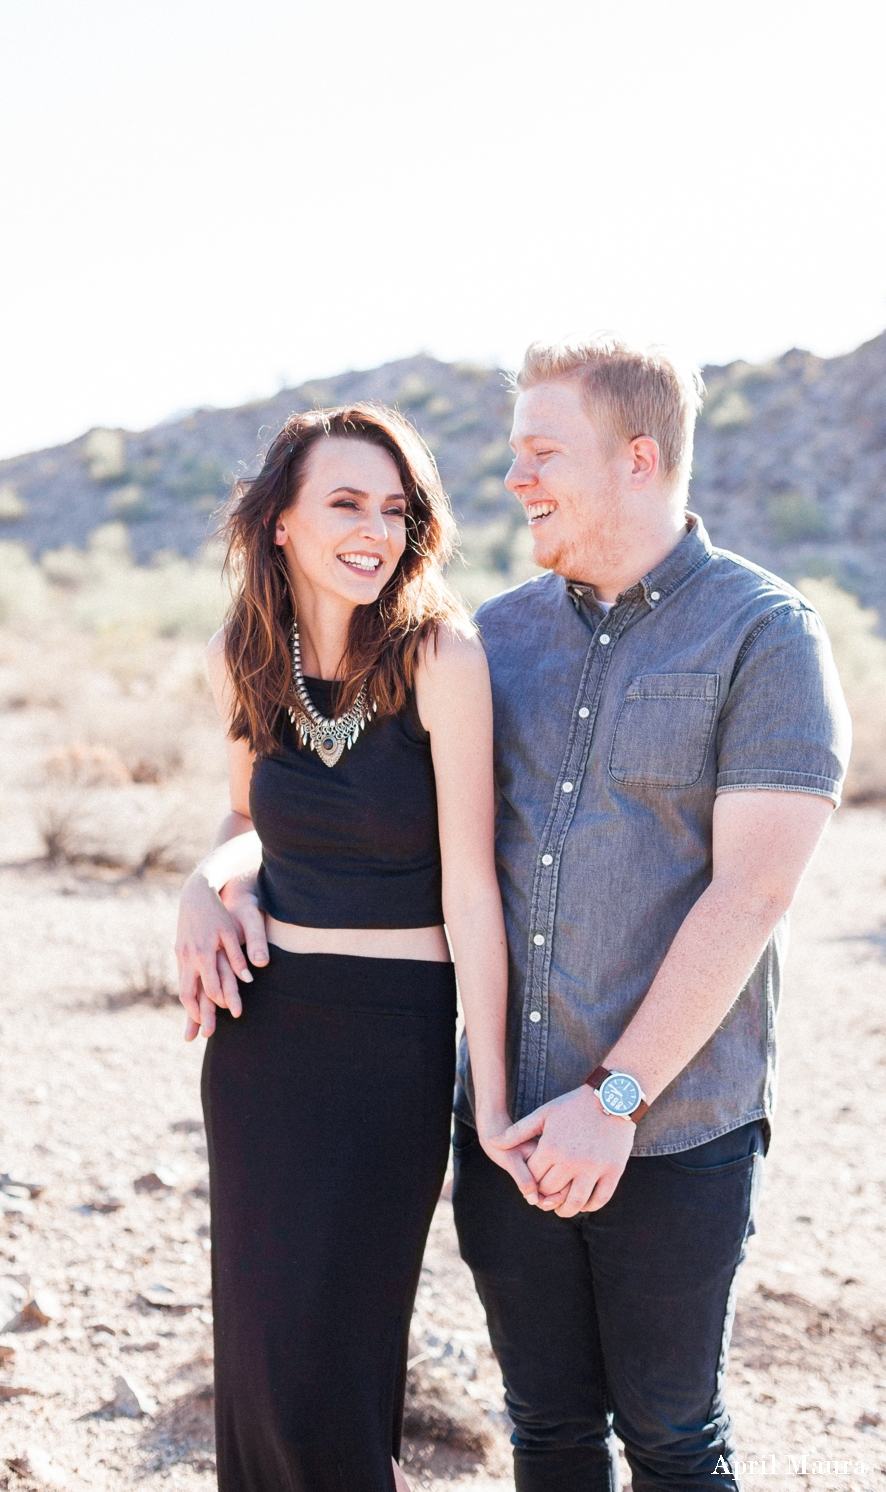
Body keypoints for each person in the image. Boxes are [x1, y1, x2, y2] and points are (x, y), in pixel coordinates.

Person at [452, 337, 851, 1491]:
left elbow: (753, 891)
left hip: (673, 1133)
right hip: (508, 1132)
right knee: (546, 1432)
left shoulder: (763, 634)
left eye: (540, 452)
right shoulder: (495, 637)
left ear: (636, 458)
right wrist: (223, 872)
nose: (516, 477)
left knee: (673, 1440)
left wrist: (613, 1099)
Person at [173, 404, 527, 1492]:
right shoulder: (249, 651)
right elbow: (244, 828)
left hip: (389, 1049)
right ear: (279, 519)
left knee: (331, 1376)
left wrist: (495, 1095)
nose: (374, 527)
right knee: (263, 1367)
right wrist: (204, 882)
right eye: (344, 502)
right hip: (261, 1041)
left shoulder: (437, 653)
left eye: (393, 506)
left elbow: (472, 891)